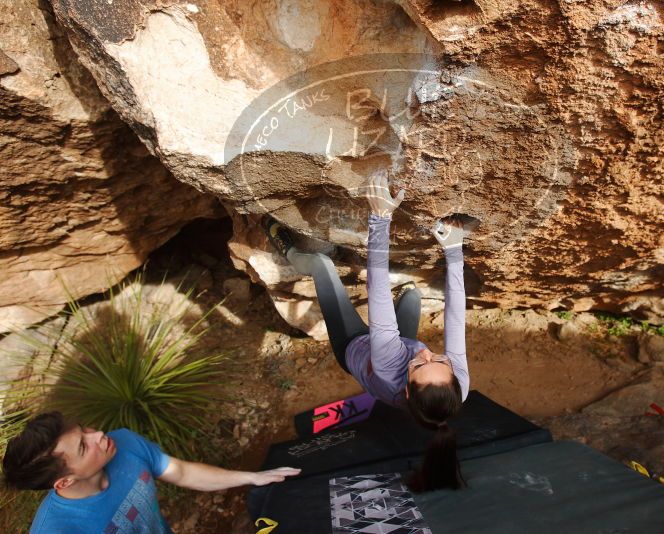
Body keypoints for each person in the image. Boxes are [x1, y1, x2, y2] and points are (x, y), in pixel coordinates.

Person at [263, 171, 469, 492]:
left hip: (355, 345)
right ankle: (406, 307)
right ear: (454, 379)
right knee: (413, 294)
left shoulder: (389, 368)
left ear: (405, 390)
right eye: (440, 360)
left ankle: (287, 249)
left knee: (321, 265)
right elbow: (455, 318)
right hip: (398, 343)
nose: (426, 353)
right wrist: (454, 250)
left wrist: (380, 216)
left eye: (419, 364)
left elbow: (378, 294)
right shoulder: (457, 386)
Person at [1, 412, 300, 533]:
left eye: (85, 430)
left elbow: (181, 472)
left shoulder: (125, 443)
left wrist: (252, 477)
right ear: (65, 481)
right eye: (83, 446)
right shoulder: (56, 529)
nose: (99, 434)